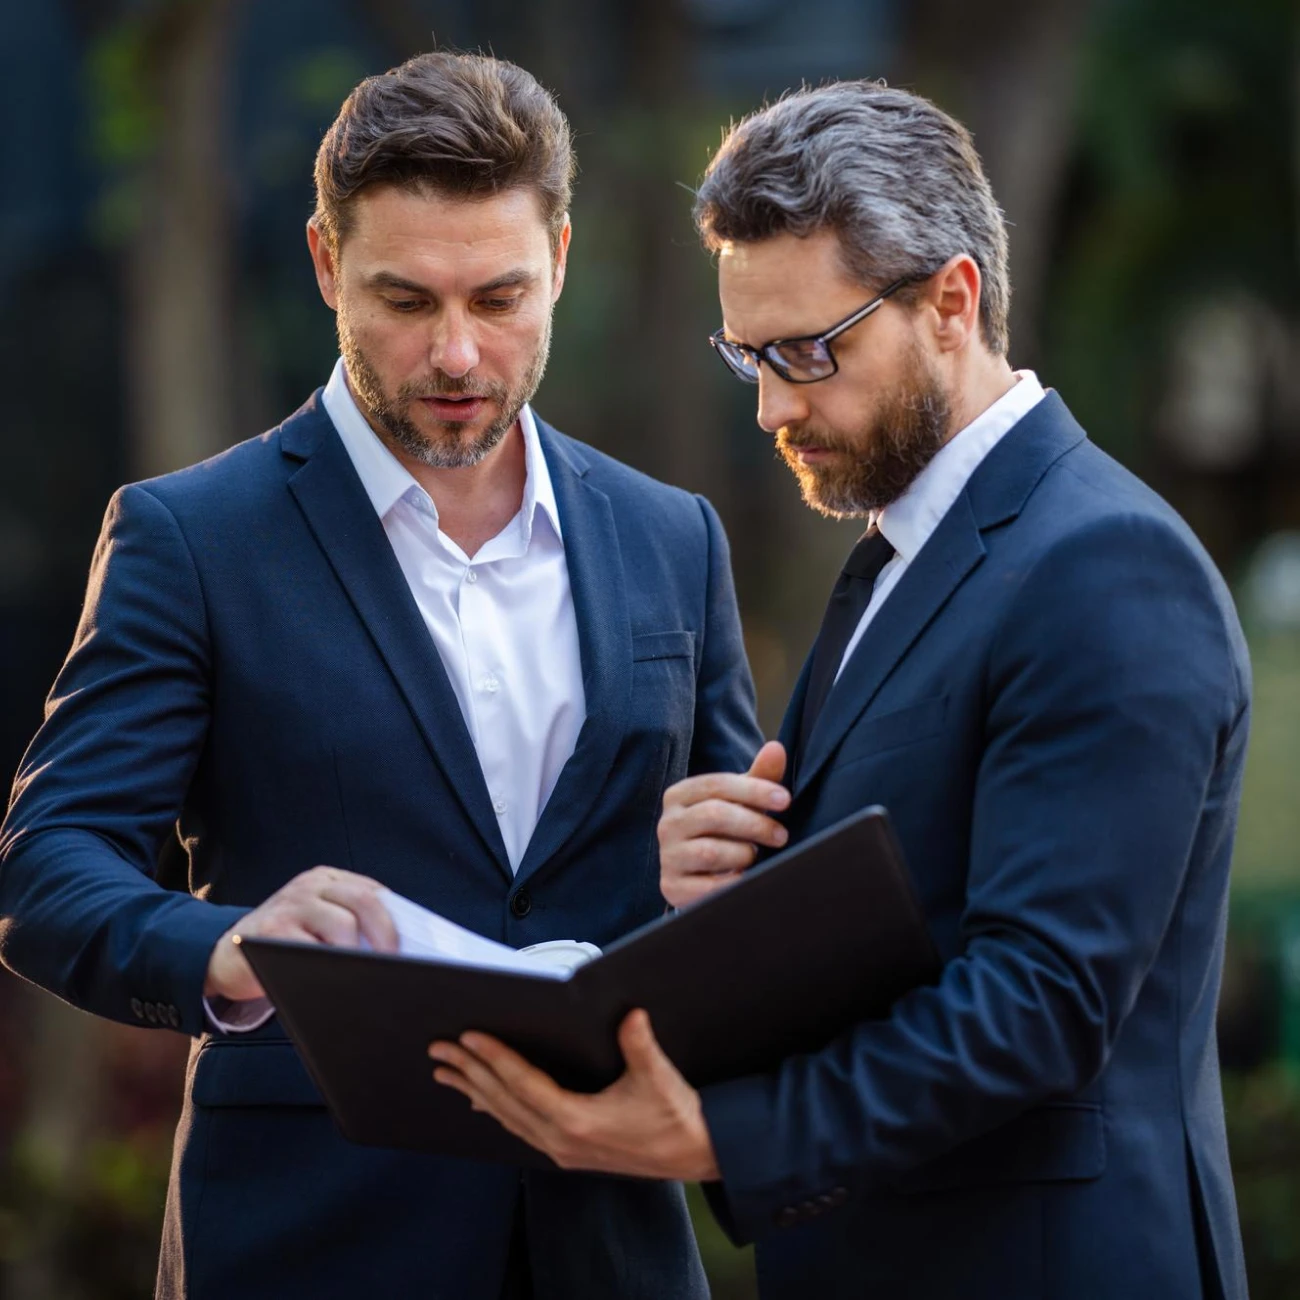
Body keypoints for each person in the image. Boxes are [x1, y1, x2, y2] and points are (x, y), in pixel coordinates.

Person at [430, 81, 1252, 1300]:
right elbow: (909, 918)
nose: (773, 407)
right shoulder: (895, 558)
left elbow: (1039, 999)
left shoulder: (1102, 565)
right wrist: (731, 887)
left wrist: (717, 1135)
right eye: (746, 357)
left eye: (809, 352)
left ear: (951, 302)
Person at [0, 51, 759, 1300]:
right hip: (306, 1244)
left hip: (608, 1245)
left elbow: (734, 893)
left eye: (500, 297)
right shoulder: (192, 537)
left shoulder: (673, 536)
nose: (457, 354)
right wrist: (223, 946)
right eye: (405, 301)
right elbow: (51, 864)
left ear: (560, 259)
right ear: (323, 264)